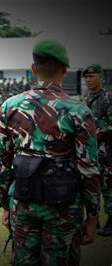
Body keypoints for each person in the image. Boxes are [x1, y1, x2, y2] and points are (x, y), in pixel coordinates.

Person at [0, 39, 101, 265]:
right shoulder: (79, 111)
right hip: (64, 204)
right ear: (65, 69)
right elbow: (89, 169)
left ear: (34, 68)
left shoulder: (10, 106)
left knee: (23, 260)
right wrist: (92, 215)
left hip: (22, 200)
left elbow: (0, 164)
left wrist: (5, 204)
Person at [82, 64, 112, 236]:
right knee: (89, 185)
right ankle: (93, 219)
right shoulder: (85, 99)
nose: (88, 79)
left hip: (106, 152)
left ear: (101, 77)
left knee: (108, 186)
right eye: (86, 77)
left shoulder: (108, 98)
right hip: (89, 153)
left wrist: (95, 133)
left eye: (92, 76)